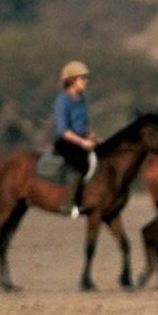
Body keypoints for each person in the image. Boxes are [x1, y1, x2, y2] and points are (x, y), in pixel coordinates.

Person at [53, 60, 97, 219]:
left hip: (81, 140)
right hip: (66, 142)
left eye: (86, 78)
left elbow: (84, 125)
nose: (86, 81)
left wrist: (91, 136)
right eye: (82, 78)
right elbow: (63, 130)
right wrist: (83, 142)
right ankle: (68, 203)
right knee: (79, 163)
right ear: (72, 81)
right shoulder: (62, 101)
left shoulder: (82, 99)